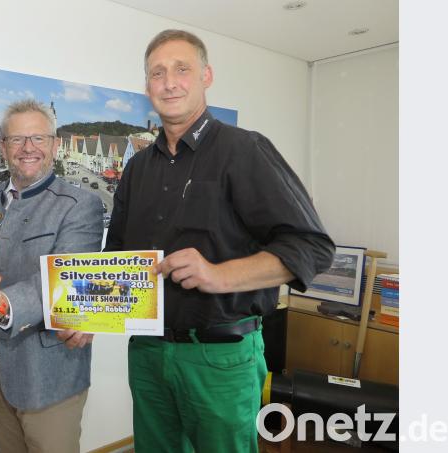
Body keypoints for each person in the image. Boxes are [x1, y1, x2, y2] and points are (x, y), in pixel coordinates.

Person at [104, 30, 335, 453]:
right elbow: (117, 256)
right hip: (148, 354)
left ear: (206, 76)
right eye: (157, 73)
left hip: (221, 358)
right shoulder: (136, 169)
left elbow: (311, 246)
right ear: (146, 87)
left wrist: (218, 275)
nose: (169, 81)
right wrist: (85, 314)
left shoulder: (245, 150)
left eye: (181, 69)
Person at [0, 99, 103, 453]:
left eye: (38, 138)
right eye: (17, 139)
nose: (27, 148)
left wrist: (3, 302)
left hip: (49, 371)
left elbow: (64, 280)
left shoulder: (79, 205)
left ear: (54, 145)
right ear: (3, 147)